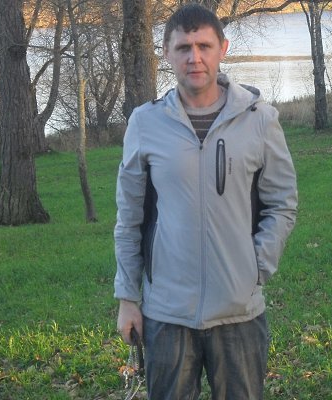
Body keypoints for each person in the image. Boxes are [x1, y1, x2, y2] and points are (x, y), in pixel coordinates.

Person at [114, 3, 297, 399]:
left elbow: (282, 203)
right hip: (167, 314)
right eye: (183, 47)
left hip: (239, 312)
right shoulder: (145, 123)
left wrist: (255, 268)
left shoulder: (260, 119)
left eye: (204, 46)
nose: (194, 58)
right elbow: (129, 219)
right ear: (167, 52)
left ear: (222, 49)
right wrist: (128, 298)